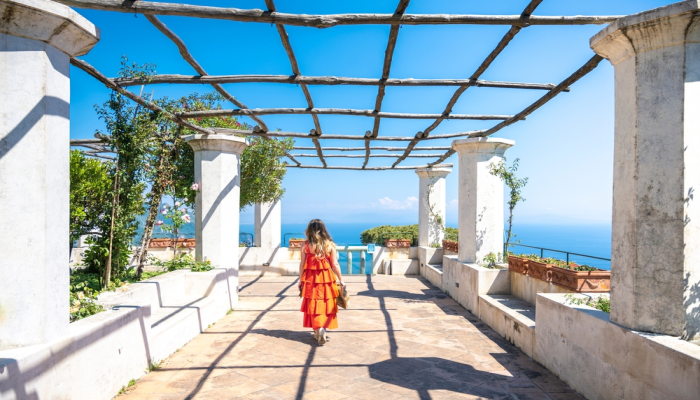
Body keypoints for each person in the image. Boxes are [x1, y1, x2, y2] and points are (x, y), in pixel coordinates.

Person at [298, 219, 346, 345]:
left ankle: (317, 329)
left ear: (309, 229)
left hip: (310, 278)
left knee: (313, 303)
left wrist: (300, 279)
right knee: (326, 302)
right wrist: (341, 280)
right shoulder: (329, 245)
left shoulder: (305, 245)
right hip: (326, 278)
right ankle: (322, 328)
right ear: (323, 229)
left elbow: (302, 264)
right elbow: (335, 264)